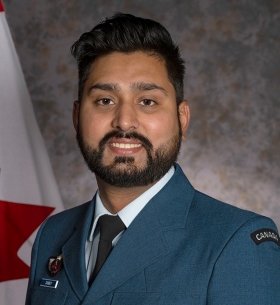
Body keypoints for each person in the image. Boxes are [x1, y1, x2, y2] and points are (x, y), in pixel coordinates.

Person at [25, 13, 280, 305]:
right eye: (104, 101)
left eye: (147, 101)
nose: (124, 122)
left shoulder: (235, 242)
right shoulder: (52, 234)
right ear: (76, 117)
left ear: (181, 119)